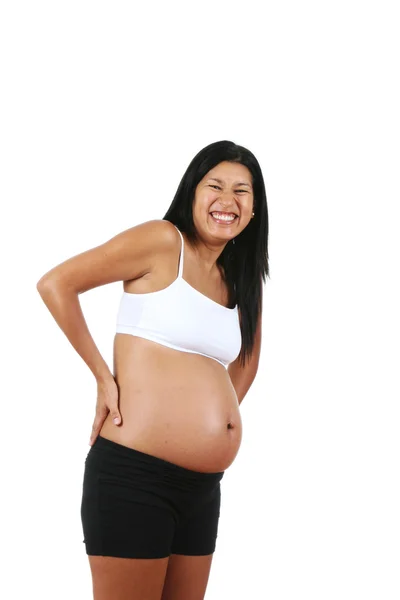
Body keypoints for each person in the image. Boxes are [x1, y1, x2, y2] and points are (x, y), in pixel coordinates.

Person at [36, 139, 269, 600]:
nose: (229, 201)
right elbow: (56, 284)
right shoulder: (163, 241)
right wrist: (104, 376)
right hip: (133, 478)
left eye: (243, 191)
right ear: (192, 192)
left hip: (203, 487)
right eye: (216, 186)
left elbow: (245, 364)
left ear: (255, 208)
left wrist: (207, 426)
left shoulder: (240, 277)